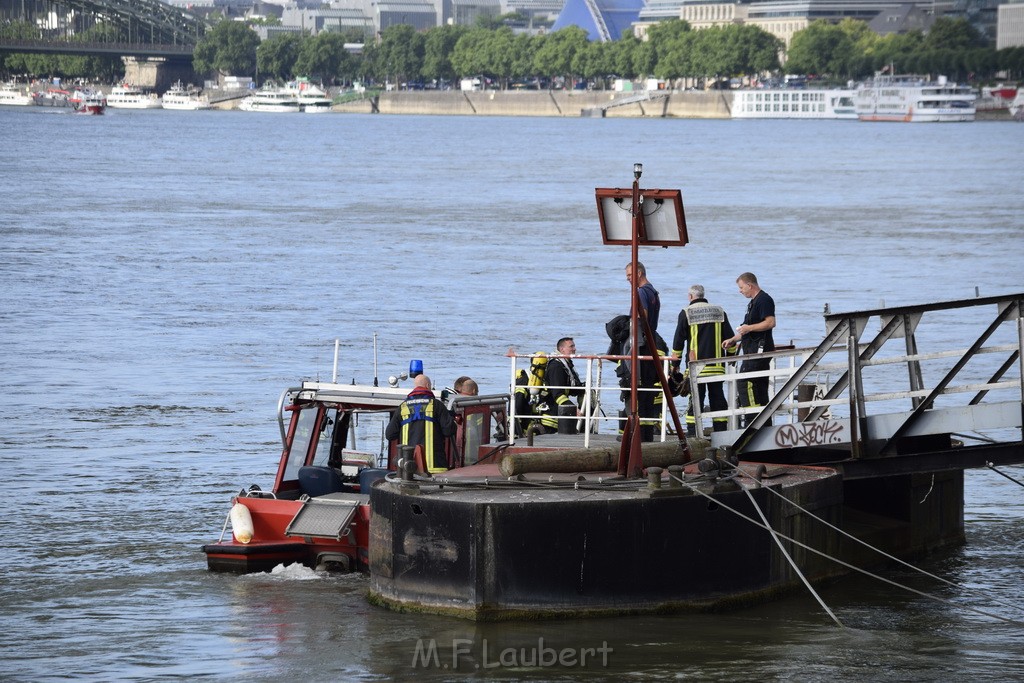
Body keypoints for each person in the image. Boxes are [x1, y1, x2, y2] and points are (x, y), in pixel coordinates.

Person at [672, 284, 737, 435]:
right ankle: (721, 434)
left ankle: (693, 434)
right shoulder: (719, 311)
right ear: (703, 295)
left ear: (690, 297)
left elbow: (678, 343)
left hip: (696, 368)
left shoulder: (686, 313)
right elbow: (730, 339)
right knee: (718, 400)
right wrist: (731, 359)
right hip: (717, 367)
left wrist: (674, 366)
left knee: (695, 402)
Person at [723, 272, 776, 422]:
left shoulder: (764, 300)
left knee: (745, 382)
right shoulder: (753, 303)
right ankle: (764, 423)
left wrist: (749, 328)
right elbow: (746, 329)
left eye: (741, 287)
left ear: (749, 285)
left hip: (759, 351)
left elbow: (770, 322)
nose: (740, 291)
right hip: (751, 350)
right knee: (758, 389)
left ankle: (753, 422)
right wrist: (733, 339)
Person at [385, 374, 456, 474]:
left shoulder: (403, 407)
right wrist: (450, 416)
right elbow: (449, 430)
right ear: (427, 386)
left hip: (409, 469)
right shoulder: (436, 405)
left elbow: (390, 435)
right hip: (435, 468)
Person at [624, 261, 662, 441]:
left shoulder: (641, 292)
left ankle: (638, 435)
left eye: (630, 275)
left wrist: (630, 326)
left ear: (639, 273)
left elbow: (642, 315)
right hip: (651, 342)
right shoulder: (653, 292)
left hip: (641, 344)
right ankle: (646, 434)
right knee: (647, 390)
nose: (628, 279)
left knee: (636, 387)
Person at [542, 337, 585, 432]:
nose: (574, 349)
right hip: (551, 418)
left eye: (574, 346)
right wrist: (573, 409)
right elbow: (557, 394)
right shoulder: (556, 366)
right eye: (571, 346)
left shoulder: (566, 365)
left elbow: (571, 388)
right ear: (562, 349)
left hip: (558, 414)